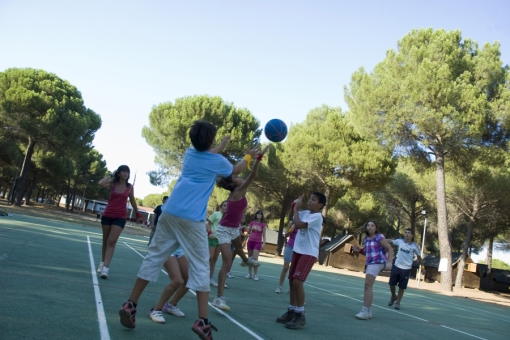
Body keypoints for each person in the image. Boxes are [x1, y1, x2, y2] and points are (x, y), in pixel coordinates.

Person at [119, 120, 258, 340]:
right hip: (191, 220)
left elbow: (207, 152)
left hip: (169, 213)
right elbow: (237, 169)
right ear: (211, 140)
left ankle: (130, 304)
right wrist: (248, 156)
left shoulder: (189, 154)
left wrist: (221, 144)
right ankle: (202, 321)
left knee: (153, 258)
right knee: (202, 267)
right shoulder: (218, 162)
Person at [211, 146, 269, 311]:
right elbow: (253, 175)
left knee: (238, 247)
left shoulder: (236, 192)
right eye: (236, 176)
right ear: (231, 183)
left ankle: (245, 260)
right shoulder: (238, 191)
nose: (239, 176)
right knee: (227, 262)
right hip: (223, 229)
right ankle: (219, 298)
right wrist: (257, 158)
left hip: (234, 228)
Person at [275, 193, 325, 330]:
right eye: (309, 199)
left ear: (320, 205)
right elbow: (293, 214)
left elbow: (298, 225)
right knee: (291, 281)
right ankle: (292, 310)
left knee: (298, 281)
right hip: (298, 250)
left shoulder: (317, 216)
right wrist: (295, 204)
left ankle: (300, 314)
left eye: (313, 200)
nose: (310, 201)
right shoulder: (305, 213)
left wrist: (297, 210)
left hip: (309, 253)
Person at [97, 165, 142, 279]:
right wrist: (111, 175)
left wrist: (138, 214)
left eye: (127, 171)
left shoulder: (130, 187)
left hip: (120, 217)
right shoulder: (112, 183)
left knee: (112, 241)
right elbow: (101, 183)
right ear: (119, 173)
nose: (126, 173)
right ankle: (102, 263)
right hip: (107, 215)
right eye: (123, 171)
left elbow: (132, 201)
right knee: (105, 241)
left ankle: (106, 268)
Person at [352, 220, 394, 320]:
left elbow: (390, 248)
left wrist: (389, 262)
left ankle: (365, 311)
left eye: (372, 225)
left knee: (367, 286)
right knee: (368, 286)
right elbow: (367, 252)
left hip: (377, 262)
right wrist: (359, 250)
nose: (370, 227)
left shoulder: (379, 237)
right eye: (368, 225)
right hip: (370, 263)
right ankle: (368, 311)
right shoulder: (366, 239)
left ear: (376, 228)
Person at [148, 246, 190, 323]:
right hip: (167, 249)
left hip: (179, 251)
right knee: (177, 281)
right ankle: (156, 310)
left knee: (189, 280)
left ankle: (171, 306)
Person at [387, 228, 425, 310]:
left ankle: (398, 302)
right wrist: (378, 239)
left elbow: (419, 257)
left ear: (412, 235)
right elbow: (390, 241)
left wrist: (422, 267)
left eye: (409, 233)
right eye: (406, 232)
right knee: (391, 284)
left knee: (402, 287)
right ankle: (393, 296)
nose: (407, 234)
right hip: (397, 266)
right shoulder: (400, 241)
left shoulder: (414, 246)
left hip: (406, 269)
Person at [207, 201, 227, 288]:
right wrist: (210, 233)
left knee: (214, 259)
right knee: (210, 257)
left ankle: (210, 278)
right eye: (224, 205)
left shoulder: (228, 217)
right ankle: (202, 275)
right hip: (213, 238)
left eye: (227, 206)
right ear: (221, 206)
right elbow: (208, 224)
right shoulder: (216, 214)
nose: (226, 207)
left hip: (221, 240)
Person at [276, 216, 297, 294]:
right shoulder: (291, 223)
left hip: (298, 249)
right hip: (290, 246)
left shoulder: (303, 225)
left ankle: (291, 288)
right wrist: (292, 228)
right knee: (285, 267)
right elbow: (286, 235)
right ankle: (279, 287)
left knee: (293, 270)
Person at [245, 209, 267, 281]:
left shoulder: (263, 225)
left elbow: (264, 235)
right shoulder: (252, 223)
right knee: (250, 258)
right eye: (258, 213)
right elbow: (247, 233)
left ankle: (255, 275)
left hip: (258, 242)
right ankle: (249, 273)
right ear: (256, 215)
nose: (259, 215)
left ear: (262, 216)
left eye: (260, 214)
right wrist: (248, 235)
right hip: (250, 241)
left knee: (255, 258)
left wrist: (263, 243)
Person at [226, 214, 248, 278]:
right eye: (242, 218)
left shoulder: (244, 227)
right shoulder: (237, 224)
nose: (243, 219)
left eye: (244, 218)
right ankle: (226, 271)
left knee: (232, 258)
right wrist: (241, 229)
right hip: (232, 242)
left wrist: (246, 234)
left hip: (239, 243)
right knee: (229, 257)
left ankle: (228, 271)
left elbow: (244, 234)